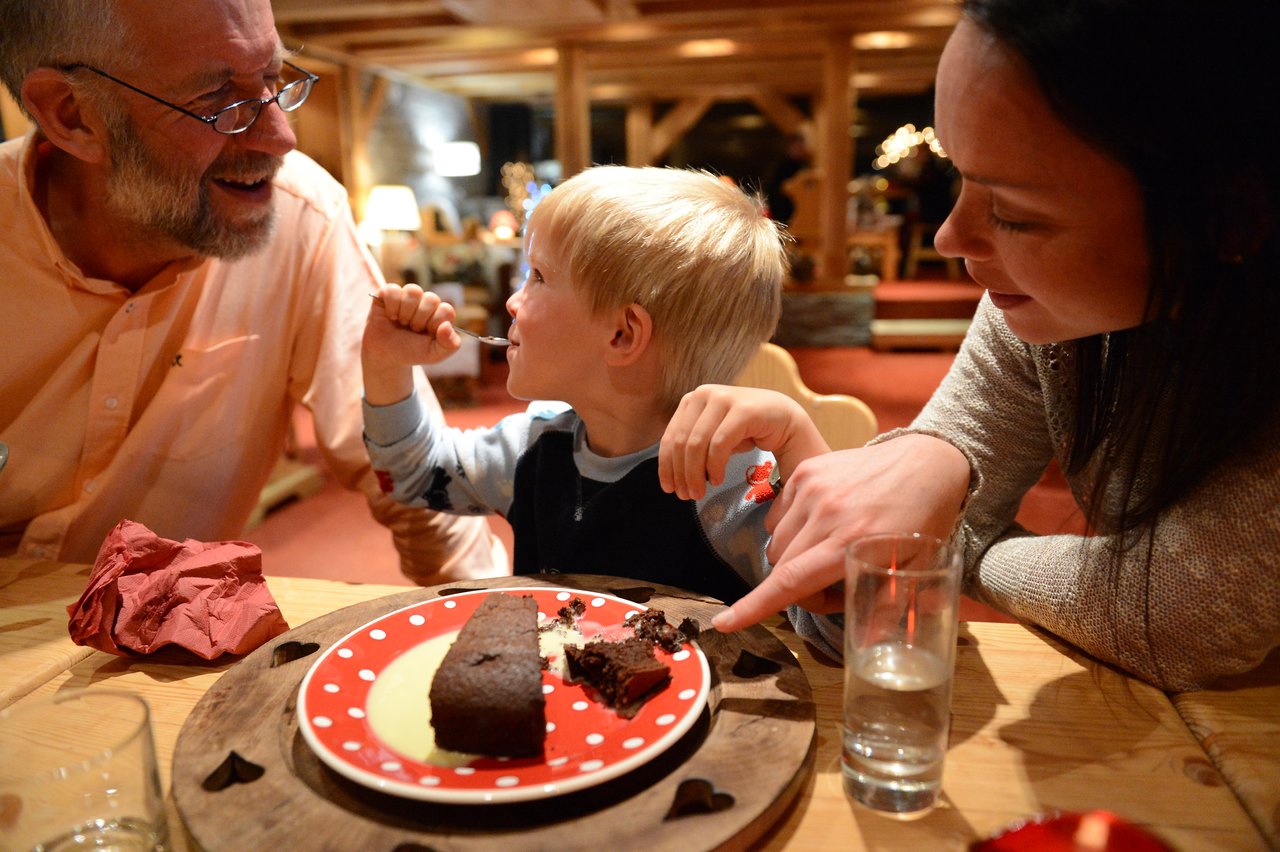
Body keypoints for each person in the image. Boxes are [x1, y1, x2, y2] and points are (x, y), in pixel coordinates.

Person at [660, 0, 1280, 691]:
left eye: (1012, 214)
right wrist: (937, 453)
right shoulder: (1048, 311)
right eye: (959, 177)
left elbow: (1176, 618)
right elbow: (928, 493)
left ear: (1234, 217)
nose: (947, 238)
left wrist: (966, 543)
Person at [0, 0, 504, 582]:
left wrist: (492, 631)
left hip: (158, 653)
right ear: (72, 116)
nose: (282, 137)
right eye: (218, 99)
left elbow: (418, 487)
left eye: (272, 79)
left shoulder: (300, 218)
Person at [361, 165, 822, 603]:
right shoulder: (536, 446)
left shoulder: (731, 484)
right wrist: (385, 363)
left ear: (622, 335)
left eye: (537, 277)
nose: (513, 300)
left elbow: (839, 625)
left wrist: (800, 445)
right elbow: (412, 476)